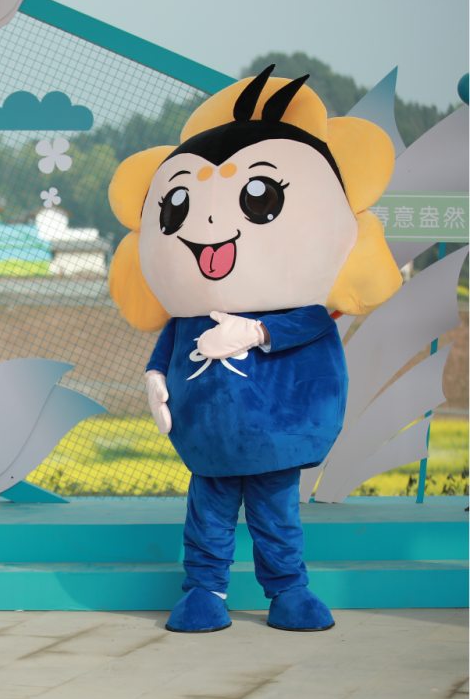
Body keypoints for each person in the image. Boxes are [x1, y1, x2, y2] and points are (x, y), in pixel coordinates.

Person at [106, 65, 402, 632]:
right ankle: (203, 591)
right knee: (207, 517)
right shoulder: (186, 316)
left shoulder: (300, 309)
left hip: (275, 435)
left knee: (276, 516)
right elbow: (171, 343)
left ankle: (288, 591)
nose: (207, 221)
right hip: (207, 439)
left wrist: (256, 332)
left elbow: (311, 324)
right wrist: (155, 377)